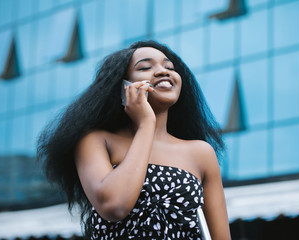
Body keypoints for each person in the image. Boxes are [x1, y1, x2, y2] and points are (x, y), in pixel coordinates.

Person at [37, 40, 231, 239]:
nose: (163, 72)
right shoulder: (96, 141)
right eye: (145, 67)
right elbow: (114, 206)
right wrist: (146, 123)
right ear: (122, 87)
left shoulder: (201, 153)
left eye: (169, 67)